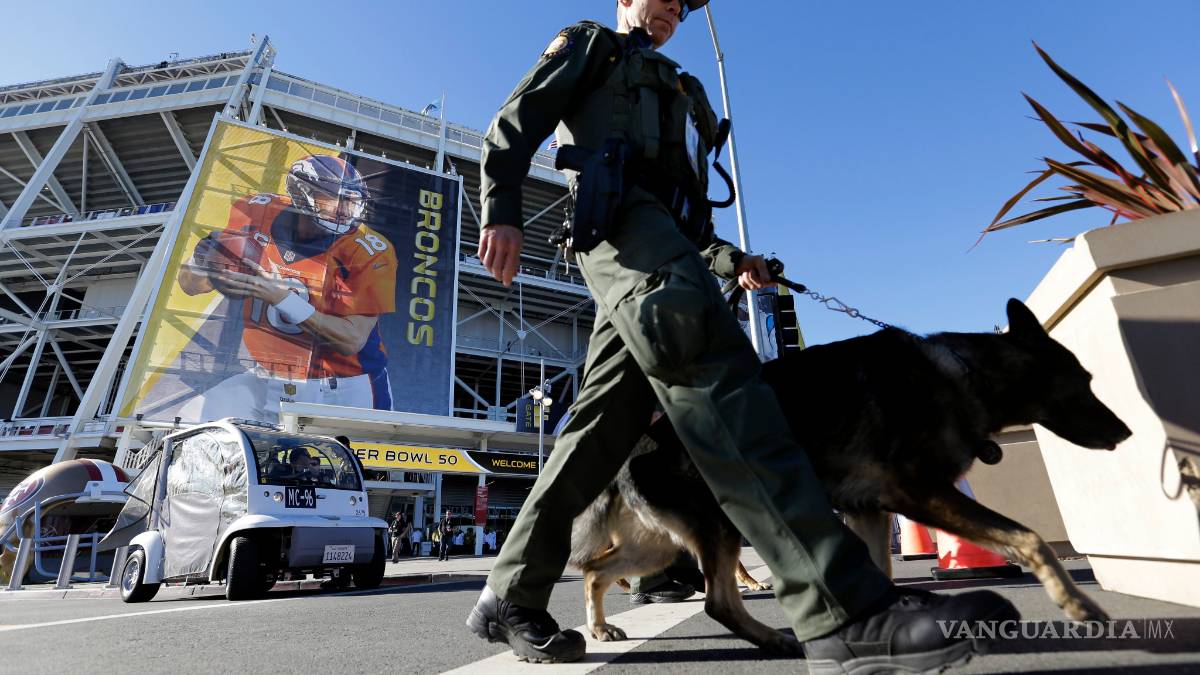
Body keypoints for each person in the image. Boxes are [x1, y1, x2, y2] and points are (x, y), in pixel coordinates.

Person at [466, 0, 1019, 669]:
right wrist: (500, 208)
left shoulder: (686, 94)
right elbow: (515, 118)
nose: (671, 10)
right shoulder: (593, 47)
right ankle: (842, 608)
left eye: (681, 7)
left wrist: (736, 262)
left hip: (663, 245)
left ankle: (509, 592)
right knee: (718, 377)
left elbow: (692, 221)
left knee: (599, 429)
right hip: (617, 226)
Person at [176, 153, 398, 423]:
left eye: (350, 202)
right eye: (332, 198)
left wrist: (278, 296)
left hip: (344, 388)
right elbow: (190, 286)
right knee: (189, 421)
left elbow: (351, 340)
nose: (343, 211)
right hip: (266, 377)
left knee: (356, 462)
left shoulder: (369, 250)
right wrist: (203, 260)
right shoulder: (256, 212)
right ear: (302, 193)